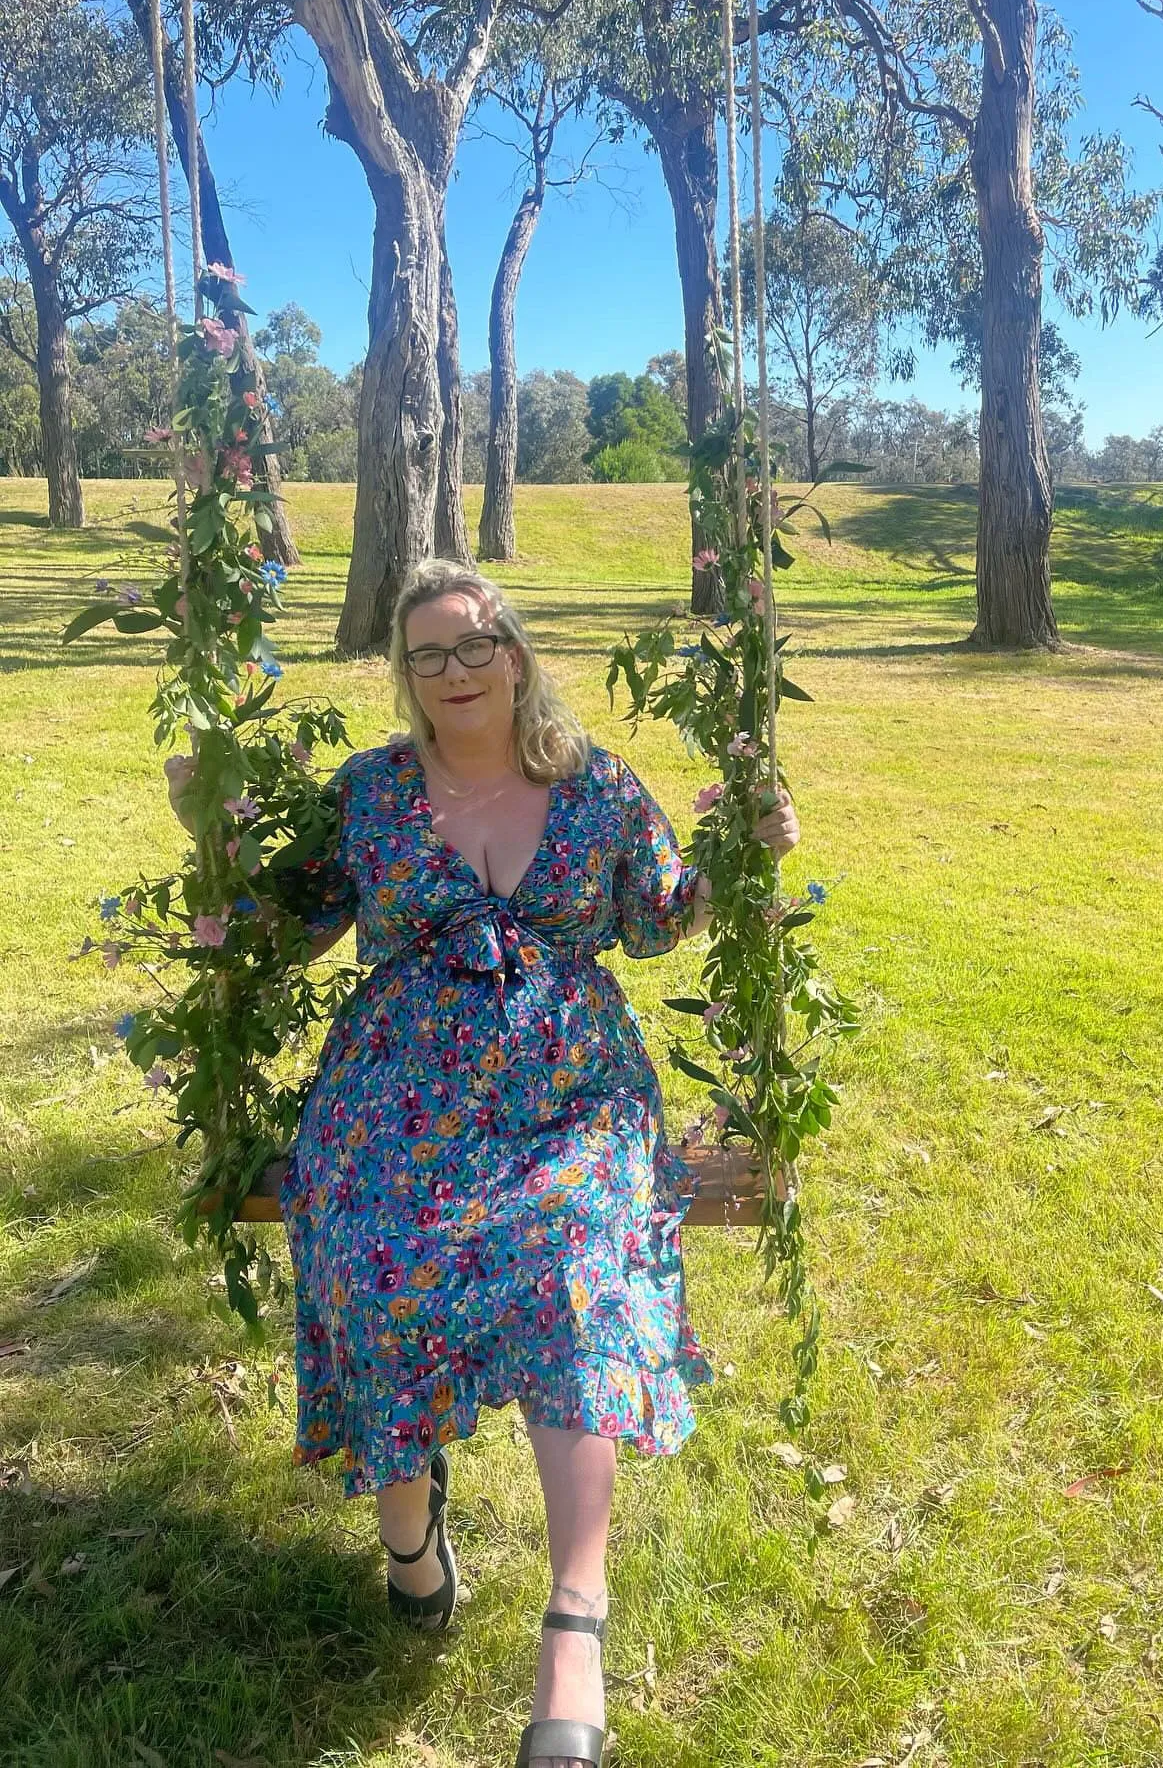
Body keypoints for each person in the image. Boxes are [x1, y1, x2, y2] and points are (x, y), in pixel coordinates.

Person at [165, 558, 799, 1768]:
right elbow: (289, 932)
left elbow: (659, 918)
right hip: (397, 1090)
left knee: (576, 1267)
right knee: (368, 1258)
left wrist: (748, 853)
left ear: (515, 653)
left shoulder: (601, 789)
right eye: (426, 654)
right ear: (405, 678)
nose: (454, 670)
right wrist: (213, 837)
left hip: (570, 1097)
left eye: (474, 644)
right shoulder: (368, 794)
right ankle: (411, 1535)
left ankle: (576, 1622)